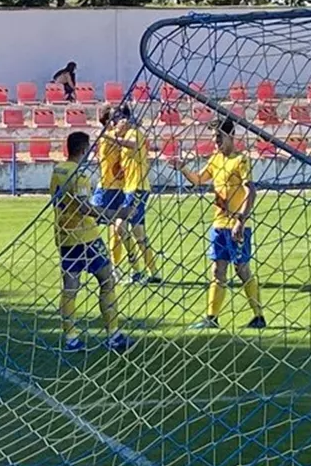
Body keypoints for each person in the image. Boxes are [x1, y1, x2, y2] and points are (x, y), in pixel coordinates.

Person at [169, 118, 266, 330]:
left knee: (242, 269)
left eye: (219, 137)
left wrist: (241, 220)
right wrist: (183, 168)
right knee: (217, 270)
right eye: (214, 138)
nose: (216, 142)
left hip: (237, 225)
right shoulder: (215, 159)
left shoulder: (241, 160)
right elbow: (198, 179)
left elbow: (251, 191)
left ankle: (259, 316)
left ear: (231, 136)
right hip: (219, 224)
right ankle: (211, 317)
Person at [51, 131, 130, 352]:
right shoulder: (80, 175)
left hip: (64, 236)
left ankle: (71, 339)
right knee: (107, 281)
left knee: (70, 288)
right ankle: (113, 335)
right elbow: (85, 207)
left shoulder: (58, 170)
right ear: (84, 149)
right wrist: (117, 214)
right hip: (86, 237)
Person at [102, 110, 160, 284]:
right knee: (137, 231)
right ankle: (153, 272)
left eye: (118, 121)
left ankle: (136, 268)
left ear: (124, 121)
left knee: (120, 225)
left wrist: (112, 138)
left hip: (137, 188)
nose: (116, 124)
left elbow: (133, 144)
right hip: (131, 188)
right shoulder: (128, 133)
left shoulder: (133, 133)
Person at [94, 107, 126, 266]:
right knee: (89, 223)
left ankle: (115, 265)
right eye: (116, 117)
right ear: (107, 121)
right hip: (106, 187)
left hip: (120, 188)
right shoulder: (106, 137)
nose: (120, 120)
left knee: (117, 229)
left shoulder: (121, 136)